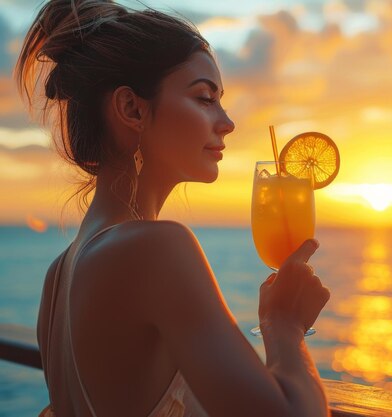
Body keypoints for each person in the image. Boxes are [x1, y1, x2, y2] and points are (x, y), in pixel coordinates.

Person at [14, 1, 332, 416]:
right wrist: (284, 326)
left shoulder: (58, 276)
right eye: (204, 97)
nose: (227, 121)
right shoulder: (157, 249)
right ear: (132, 109)